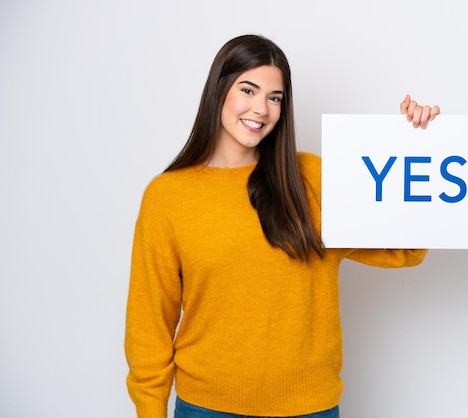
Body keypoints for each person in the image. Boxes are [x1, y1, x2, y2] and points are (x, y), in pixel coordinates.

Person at [124, 34, 440, 418]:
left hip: (310, 408)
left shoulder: (312, 179)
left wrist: (421, 147)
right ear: (218, 91)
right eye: (248, 90)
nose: (262, 109)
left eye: (275, 97)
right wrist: (149, 410)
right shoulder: (168, 196)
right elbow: (149, 325)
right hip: (207, 408)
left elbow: (403, 251)